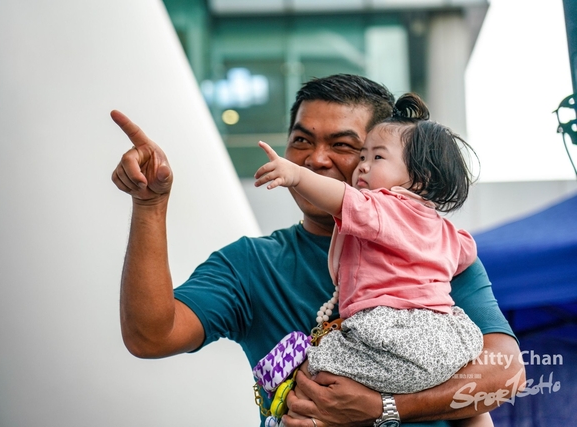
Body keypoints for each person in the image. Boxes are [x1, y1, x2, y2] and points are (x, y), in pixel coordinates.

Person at [110, 74, 525, 427]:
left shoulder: (430, 250)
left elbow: (506, 375)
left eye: (343, 146)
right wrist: (150, 204)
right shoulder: (251, 264)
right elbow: (151, 337)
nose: (315, 160)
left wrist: (382, 408)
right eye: (301, 141)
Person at [254, 92, 489, 426]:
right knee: (474, 409)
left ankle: (291, 416)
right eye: (362, 155)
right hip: (448, 341)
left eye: (377, 157)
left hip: (388, 336)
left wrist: (296, 175)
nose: (363, 165)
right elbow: (466, 253)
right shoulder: (447, 230)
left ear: (419, 178)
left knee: (312, 373)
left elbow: (339, 198)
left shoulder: (381, 207)